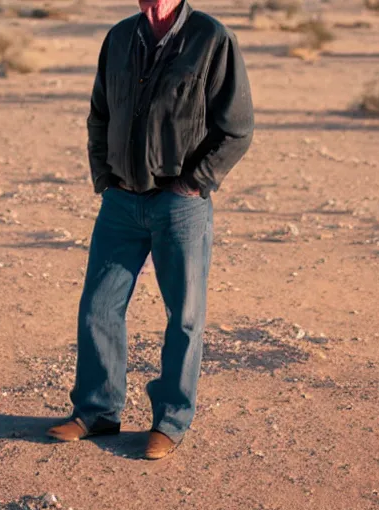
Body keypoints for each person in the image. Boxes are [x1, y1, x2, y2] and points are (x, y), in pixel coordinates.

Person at [47, 0, 254, 459]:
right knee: (98, 307)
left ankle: (170, 421)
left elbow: (236, 129)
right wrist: (104, 176)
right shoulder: (120, 37)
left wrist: (190, 185)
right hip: (121, 200)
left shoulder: (211, 39)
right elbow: (99, 113)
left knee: (183, 316)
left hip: (179, 205)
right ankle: (98, 411)